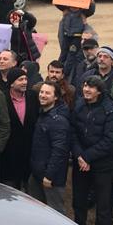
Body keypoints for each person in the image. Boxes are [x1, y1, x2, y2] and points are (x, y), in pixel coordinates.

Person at [70, 75, 113, 225]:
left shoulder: (110, 111)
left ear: (99, 91)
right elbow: (73, 132)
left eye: (90, 87)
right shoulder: (79, 105)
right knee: (79, 201)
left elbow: (110, 140)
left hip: (102, 166)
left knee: (103, 205)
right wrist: (79, 156)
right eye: (85, 86)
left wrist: (87, 157)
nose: (86, 89)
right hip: (80, 163)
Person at [28, 80, 70, 213]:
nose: (43, 95)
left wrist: (49, 175)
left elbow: (59, 151)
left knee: (55, 213)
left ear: (55, 97)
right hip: (37, 173)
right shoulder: (42, 114)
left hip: (51, 178)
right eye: (41, 92)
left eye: (47, 93)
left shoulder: (58, 120)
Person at [57, 6, 87, 73]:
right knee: (63, 54)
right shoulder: (66, 12)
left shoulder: (83, 13)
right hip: (66, 36)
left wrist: (91, 1)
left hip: (76, 37)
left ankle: (66, 72)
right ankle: (58, 70)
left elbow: (91, 9)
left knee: (71, 55)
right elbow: (58, 4)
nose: (73, 7)